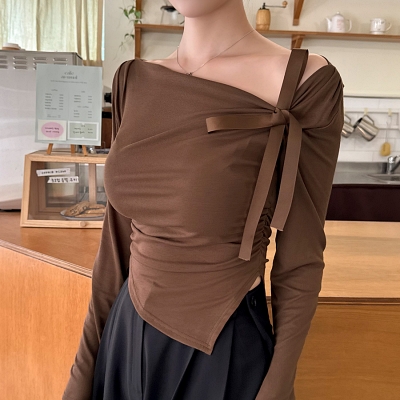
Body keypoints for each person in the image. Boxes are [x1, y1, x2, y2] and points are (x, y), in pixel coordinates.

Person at [63, 0, 344, 399]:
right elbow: (115, 247)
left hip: (222, 351)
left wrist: (277, 389)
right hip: (125, 338)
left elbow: (300, 258)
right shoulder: (133, 79)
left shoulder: (303, 83)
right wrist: (82, 375)